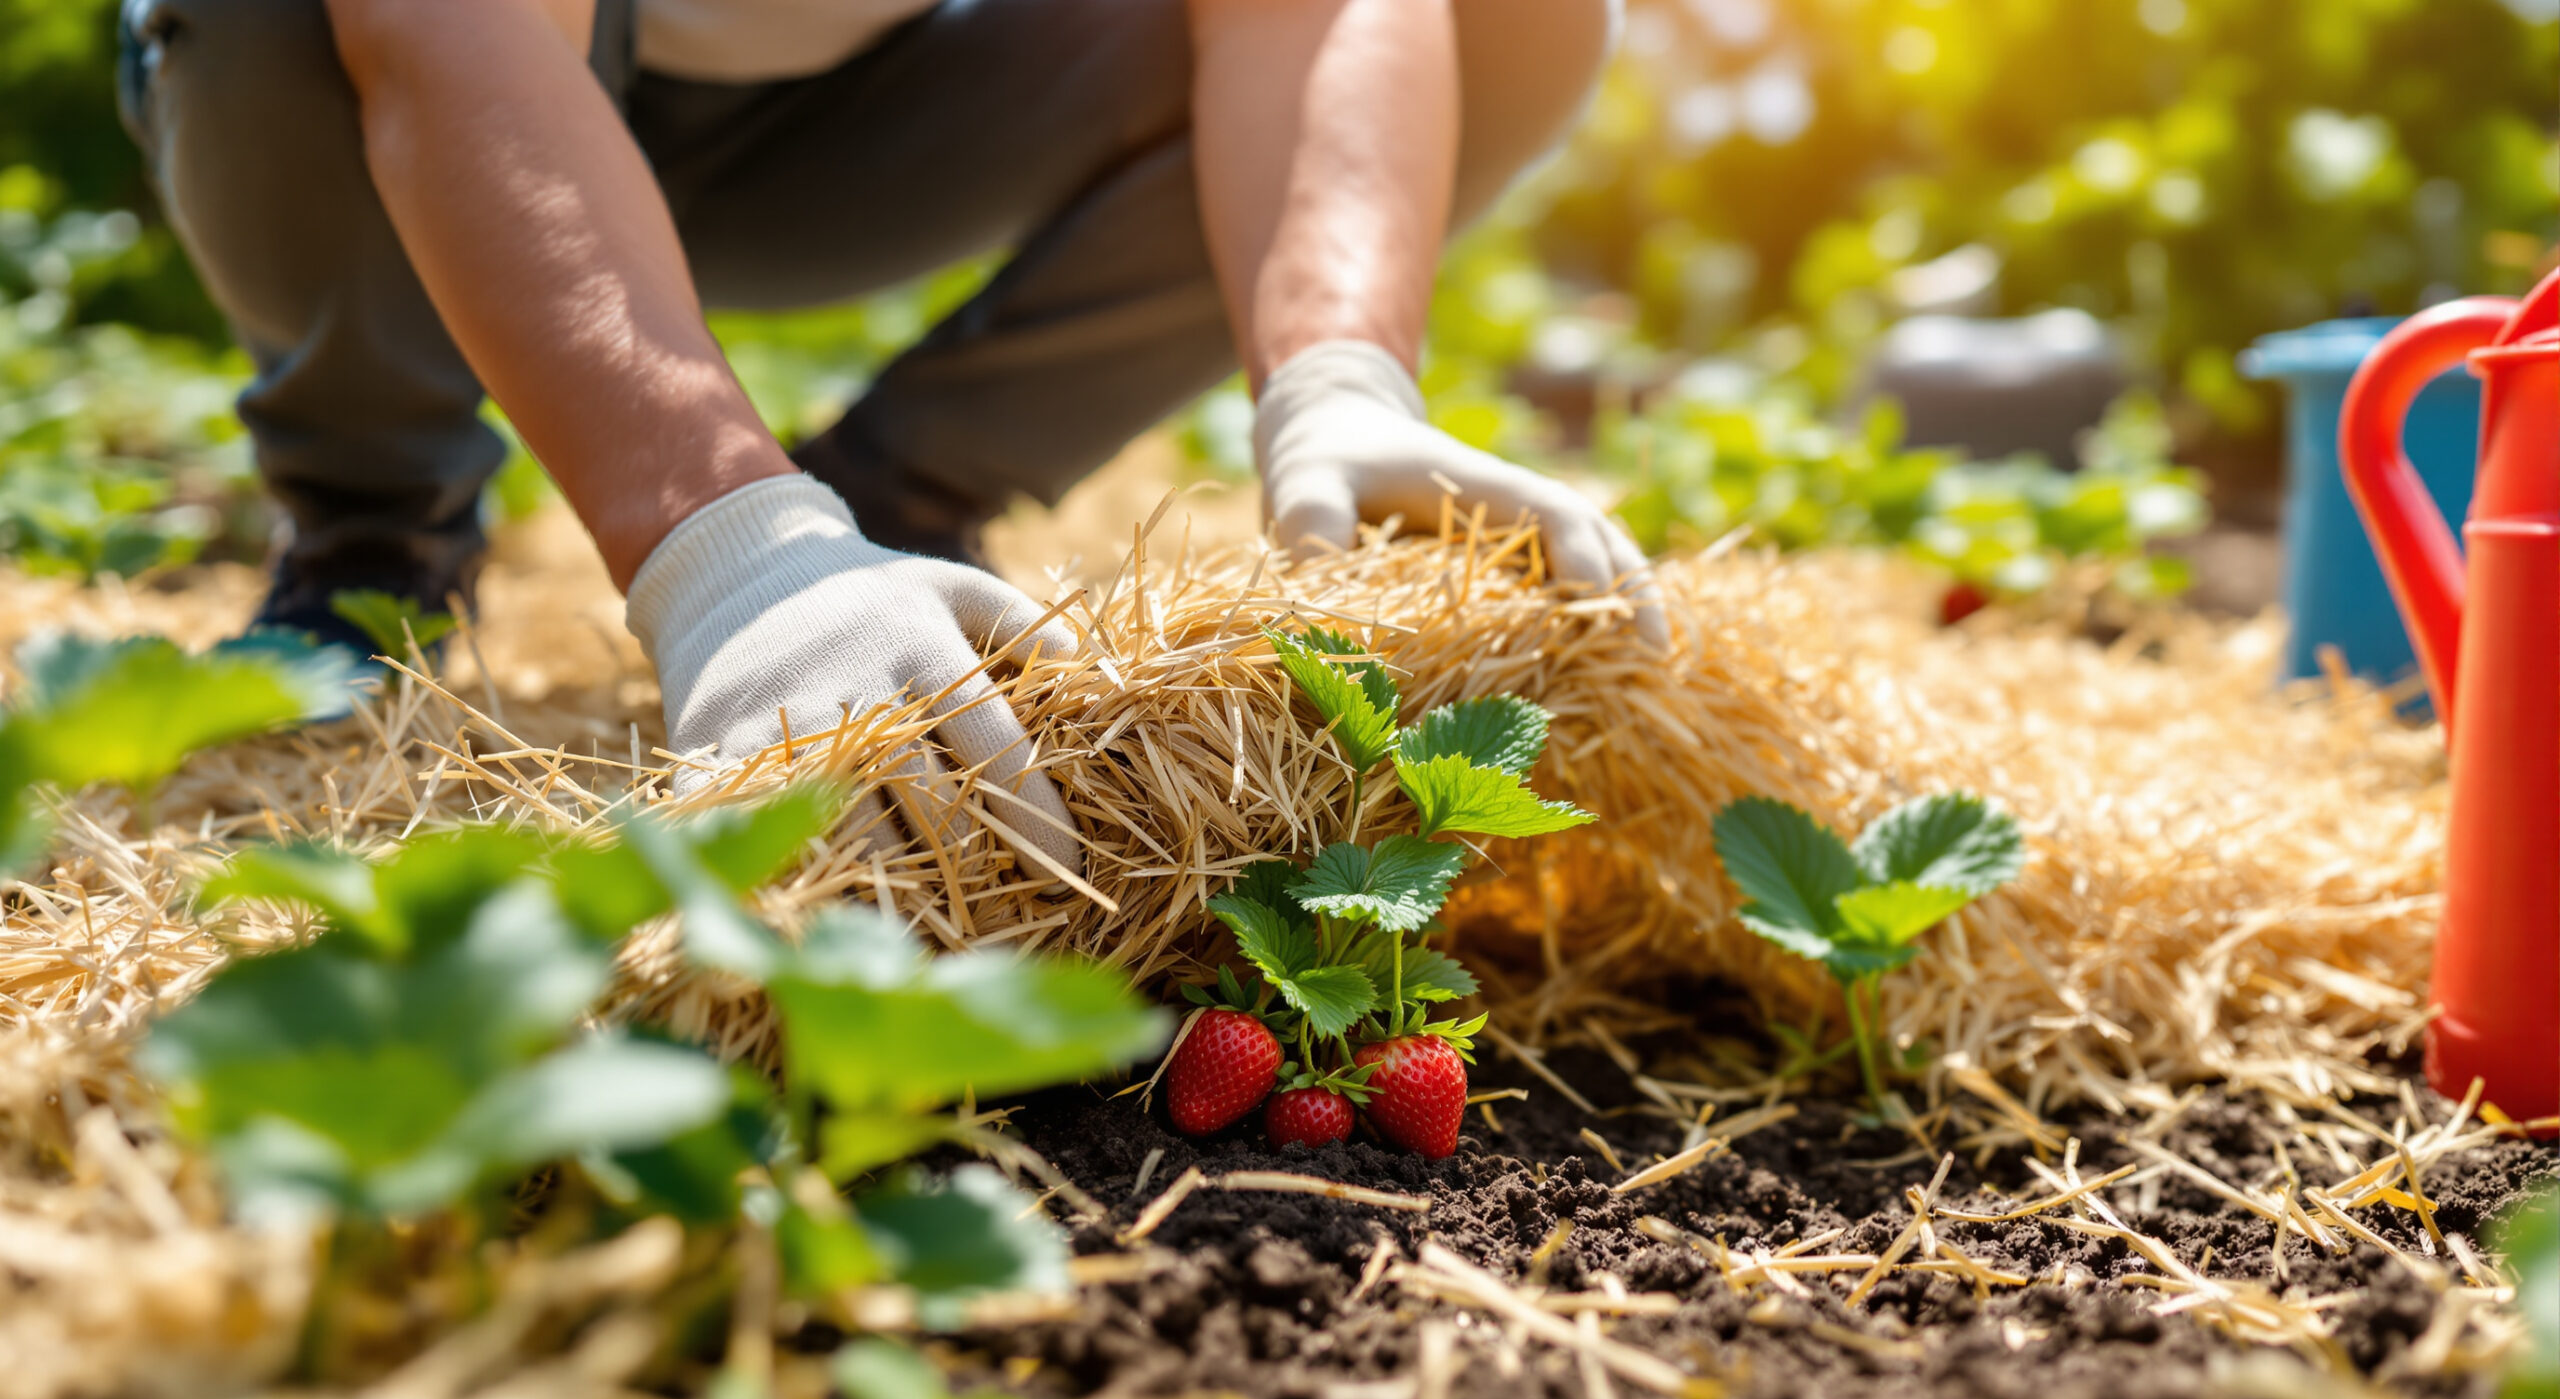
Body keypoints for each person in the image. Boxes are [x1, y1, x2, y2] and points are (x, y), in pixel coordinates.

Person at [116, 0, 1663, 876]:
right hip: (401, 82)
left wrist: (1339, 373)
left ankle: (898, 500)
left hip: (860, 121)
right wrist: (726, 550)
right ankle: (375, 537)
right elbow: (443, 31)